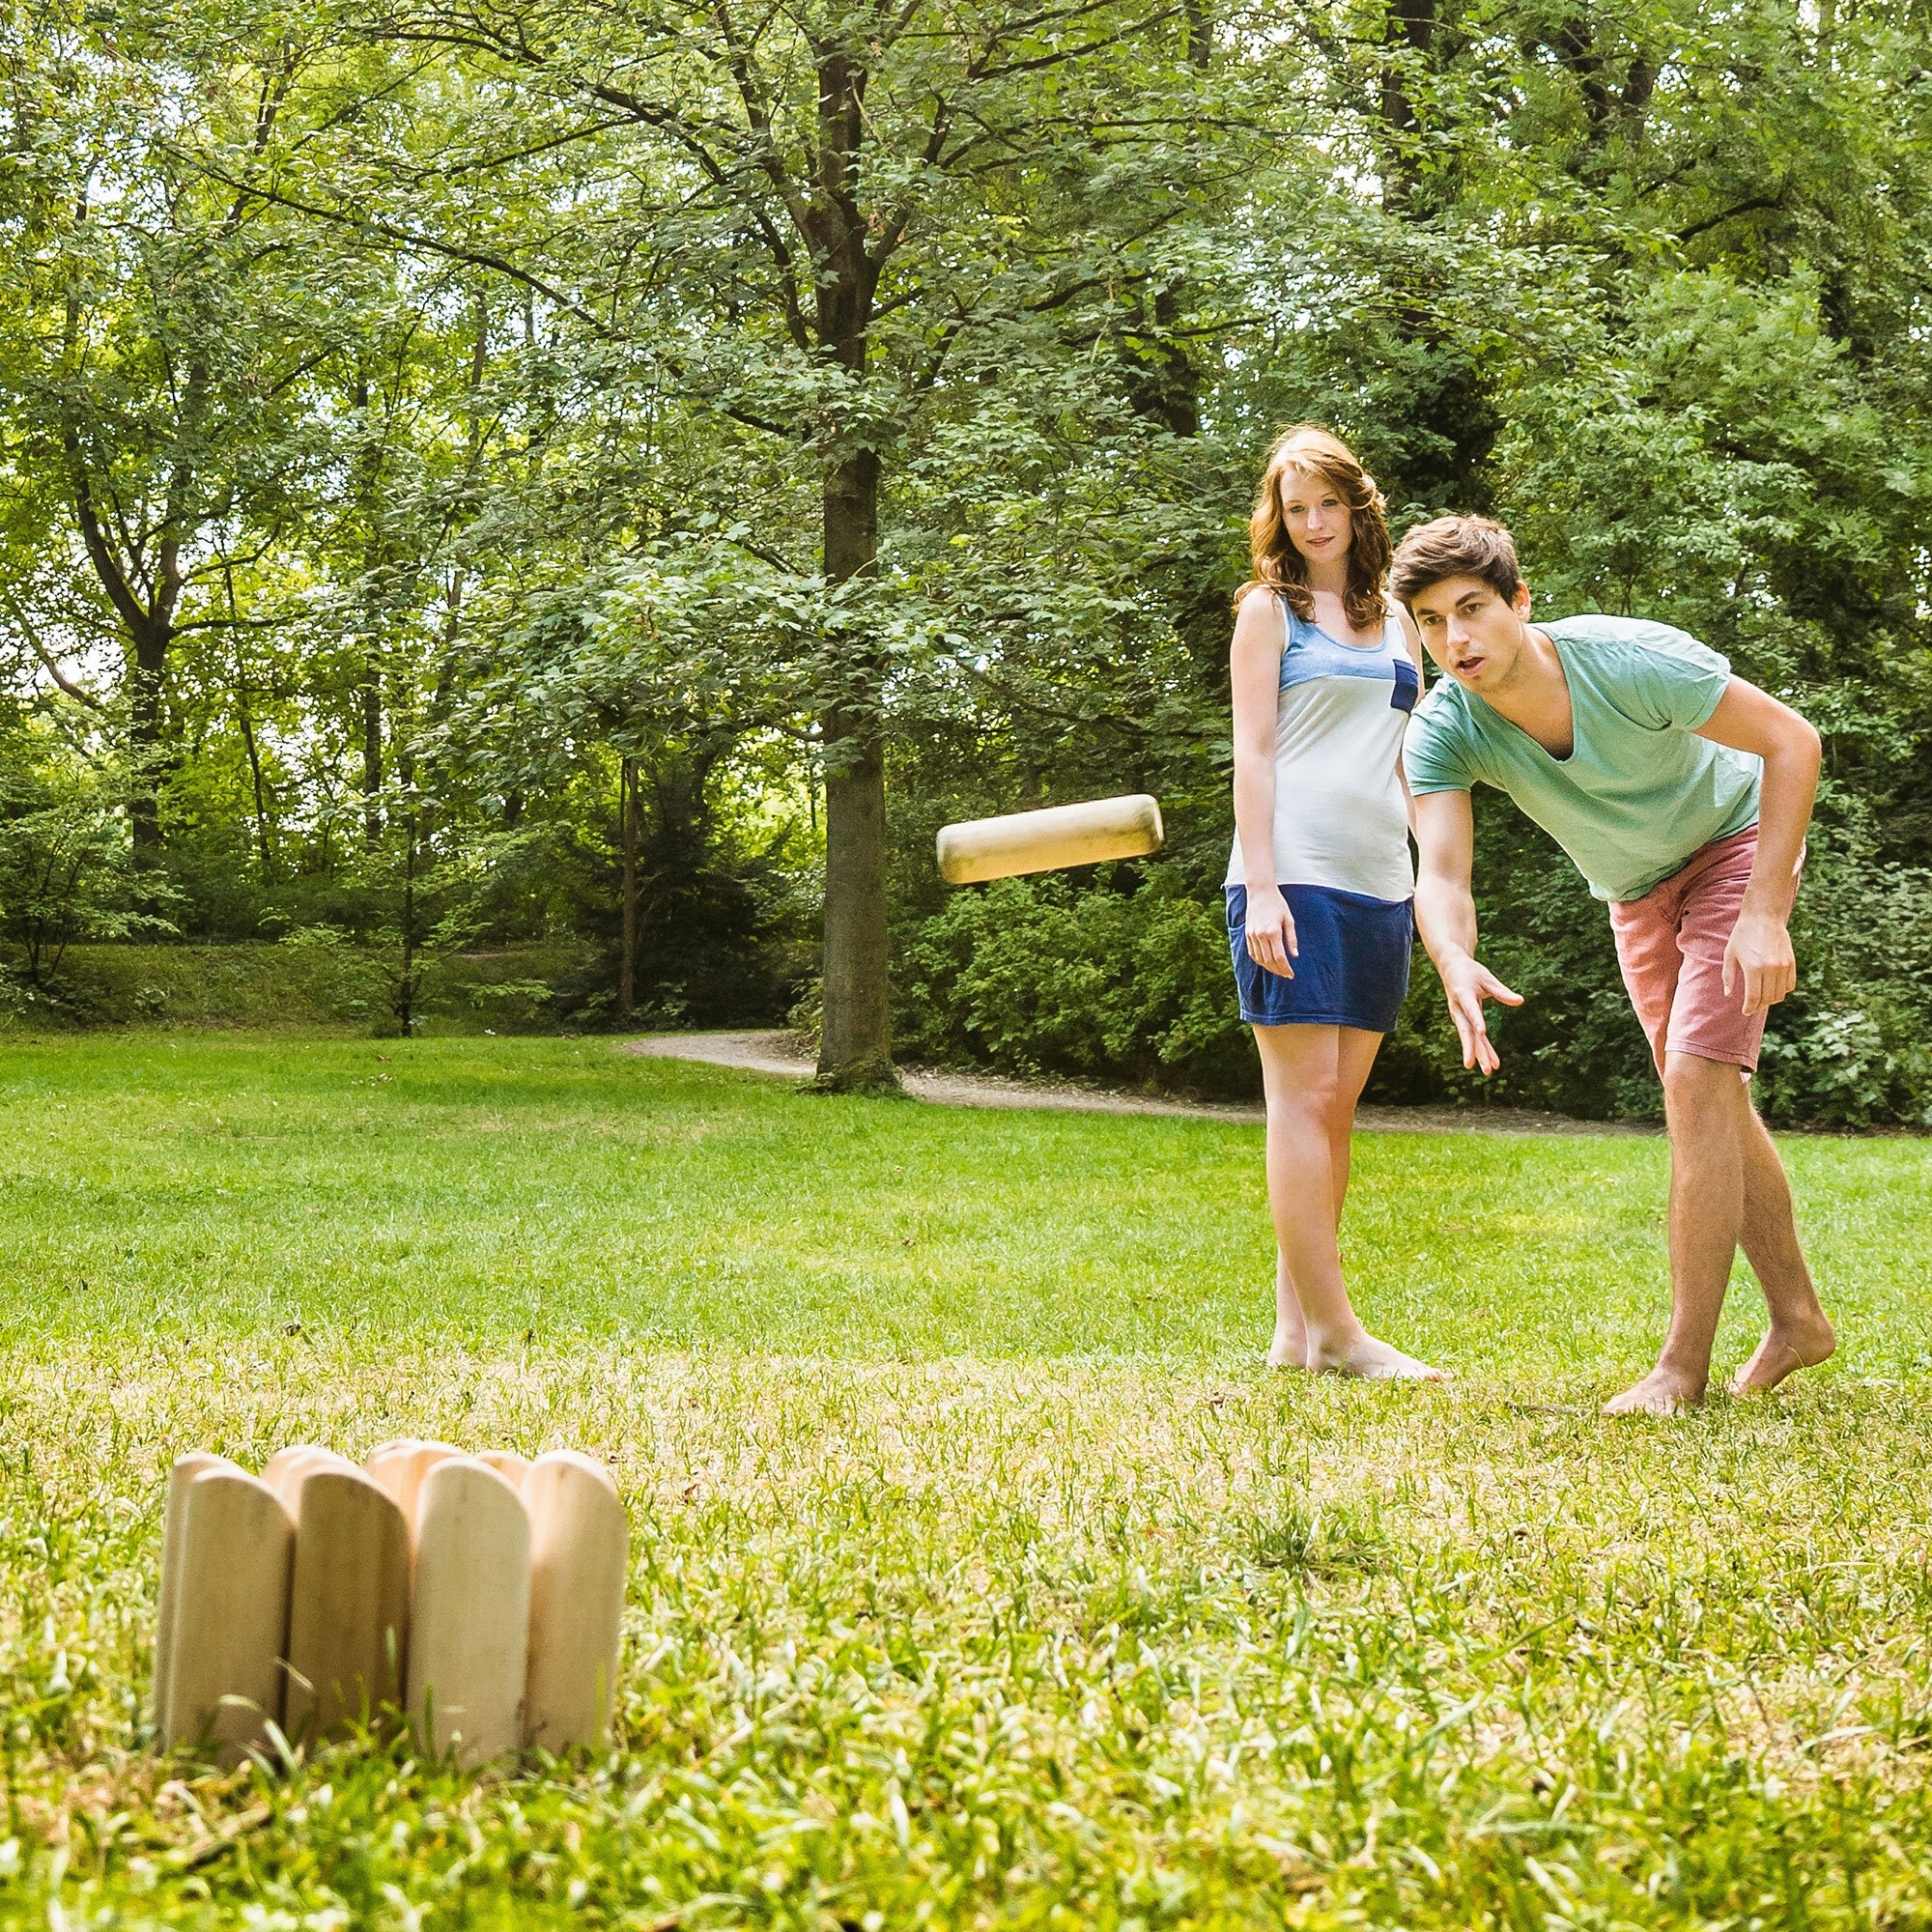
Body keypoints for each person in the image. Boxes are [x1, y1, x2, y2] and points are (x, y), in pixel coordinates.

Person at [1392, 514, 1834, 1415]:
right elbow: (1440, 872)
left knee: (1695, 1082)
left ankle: (1681, 1368)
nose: (1456, 639)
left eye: (1472, 609)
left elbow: (1794, 742)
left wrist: (1765, 915)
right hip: (1634, 892)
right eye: (1432, 622)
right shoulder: (1444, 729)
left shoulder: (1627, 660)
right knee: (1707, 1094)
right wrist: (1452, 956)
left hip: (1734, 846)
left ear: (1520, 601)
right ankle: (1798, 1320)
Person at [1227, 426, 1443, 1379]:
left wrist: (1431, 872)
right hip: (1293, 873)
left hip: (1377, 880)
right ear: (1277, 519)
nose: (1312, 523)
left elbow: (1412, 758)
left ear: (1358, 505)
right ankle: (1340, 1334)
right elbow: (1253, 752)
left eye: (1327, 503)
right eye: (1293, 507)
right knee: (1301, 1102)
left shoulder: (1401, 620)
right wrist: (1263, 884)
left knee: (1334, 1111)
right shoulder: (1266, 611)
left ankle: (1293, 1334)